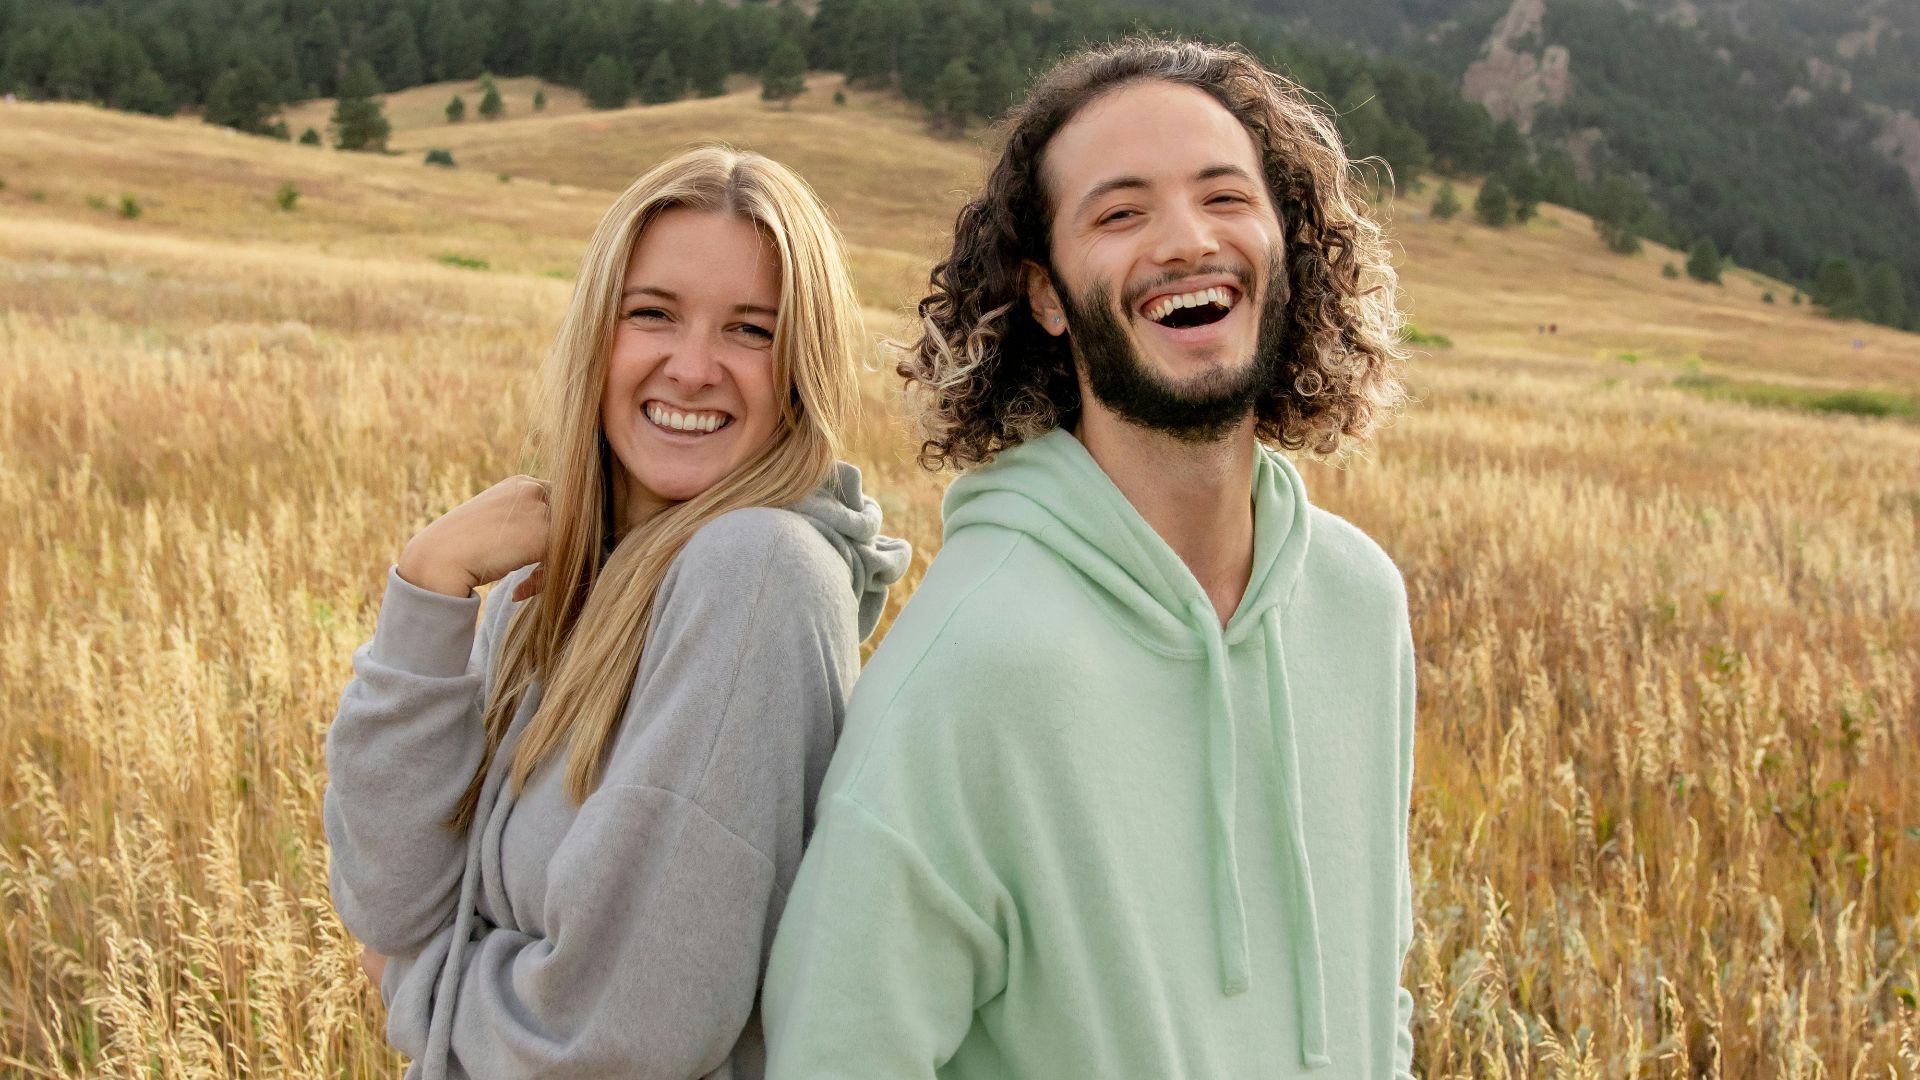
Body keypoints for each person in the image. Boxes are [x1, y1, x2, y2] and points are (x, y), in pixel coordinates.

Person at [763, 37, 1415, 1078]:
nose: (1188, 241)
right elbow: (837, 1054)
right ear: (1046, 294)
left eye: (1225, 197)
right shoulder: (975, 661)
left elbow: (1375, 986)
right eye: (1120, 214)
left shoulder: (1360, 601)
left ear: (1286, 245)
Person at [324, 145, 909, 1080]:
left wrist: (418, 988)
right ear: (597, 332)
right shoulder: (557, 585)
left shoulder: (758, 576)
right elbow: (390, 905)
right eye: (653, 314)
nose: (693, 368)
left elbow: (620, 1038)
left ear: (802, 368)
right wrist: (429, 586)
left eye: (751, 330)